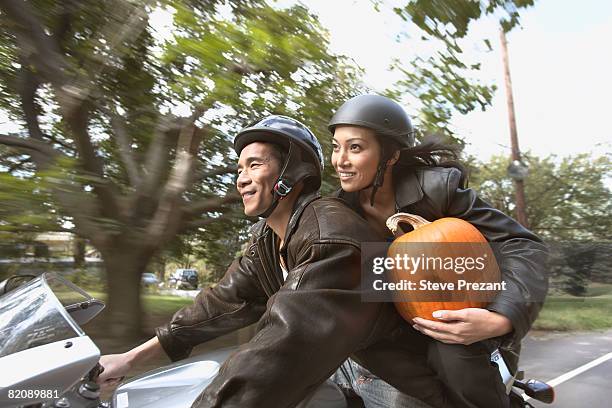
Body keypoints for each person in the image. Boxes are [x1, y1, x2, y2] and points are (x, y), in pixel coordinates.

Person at [96, 115, 454, 408]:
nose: (241, 179)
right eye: (239, 168)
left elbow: (283, 346)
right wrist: (129, 359)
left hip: (394, 384)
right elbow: (219, 303)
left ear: (293, 173)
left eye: (255, 165)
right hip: (346, 364)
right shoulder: (269, 241)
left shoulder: (332, 235)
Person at [328, 94, 549, 408]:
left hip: (467, 332)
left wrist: (501, 318)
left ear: (390, 156)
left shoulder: (438, 191)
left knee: (453, 352)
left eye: (355, 147)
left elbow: (522, 246)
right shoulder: (338, 213)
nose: (340, 160)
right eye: (336, 147)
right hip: (394, 335)